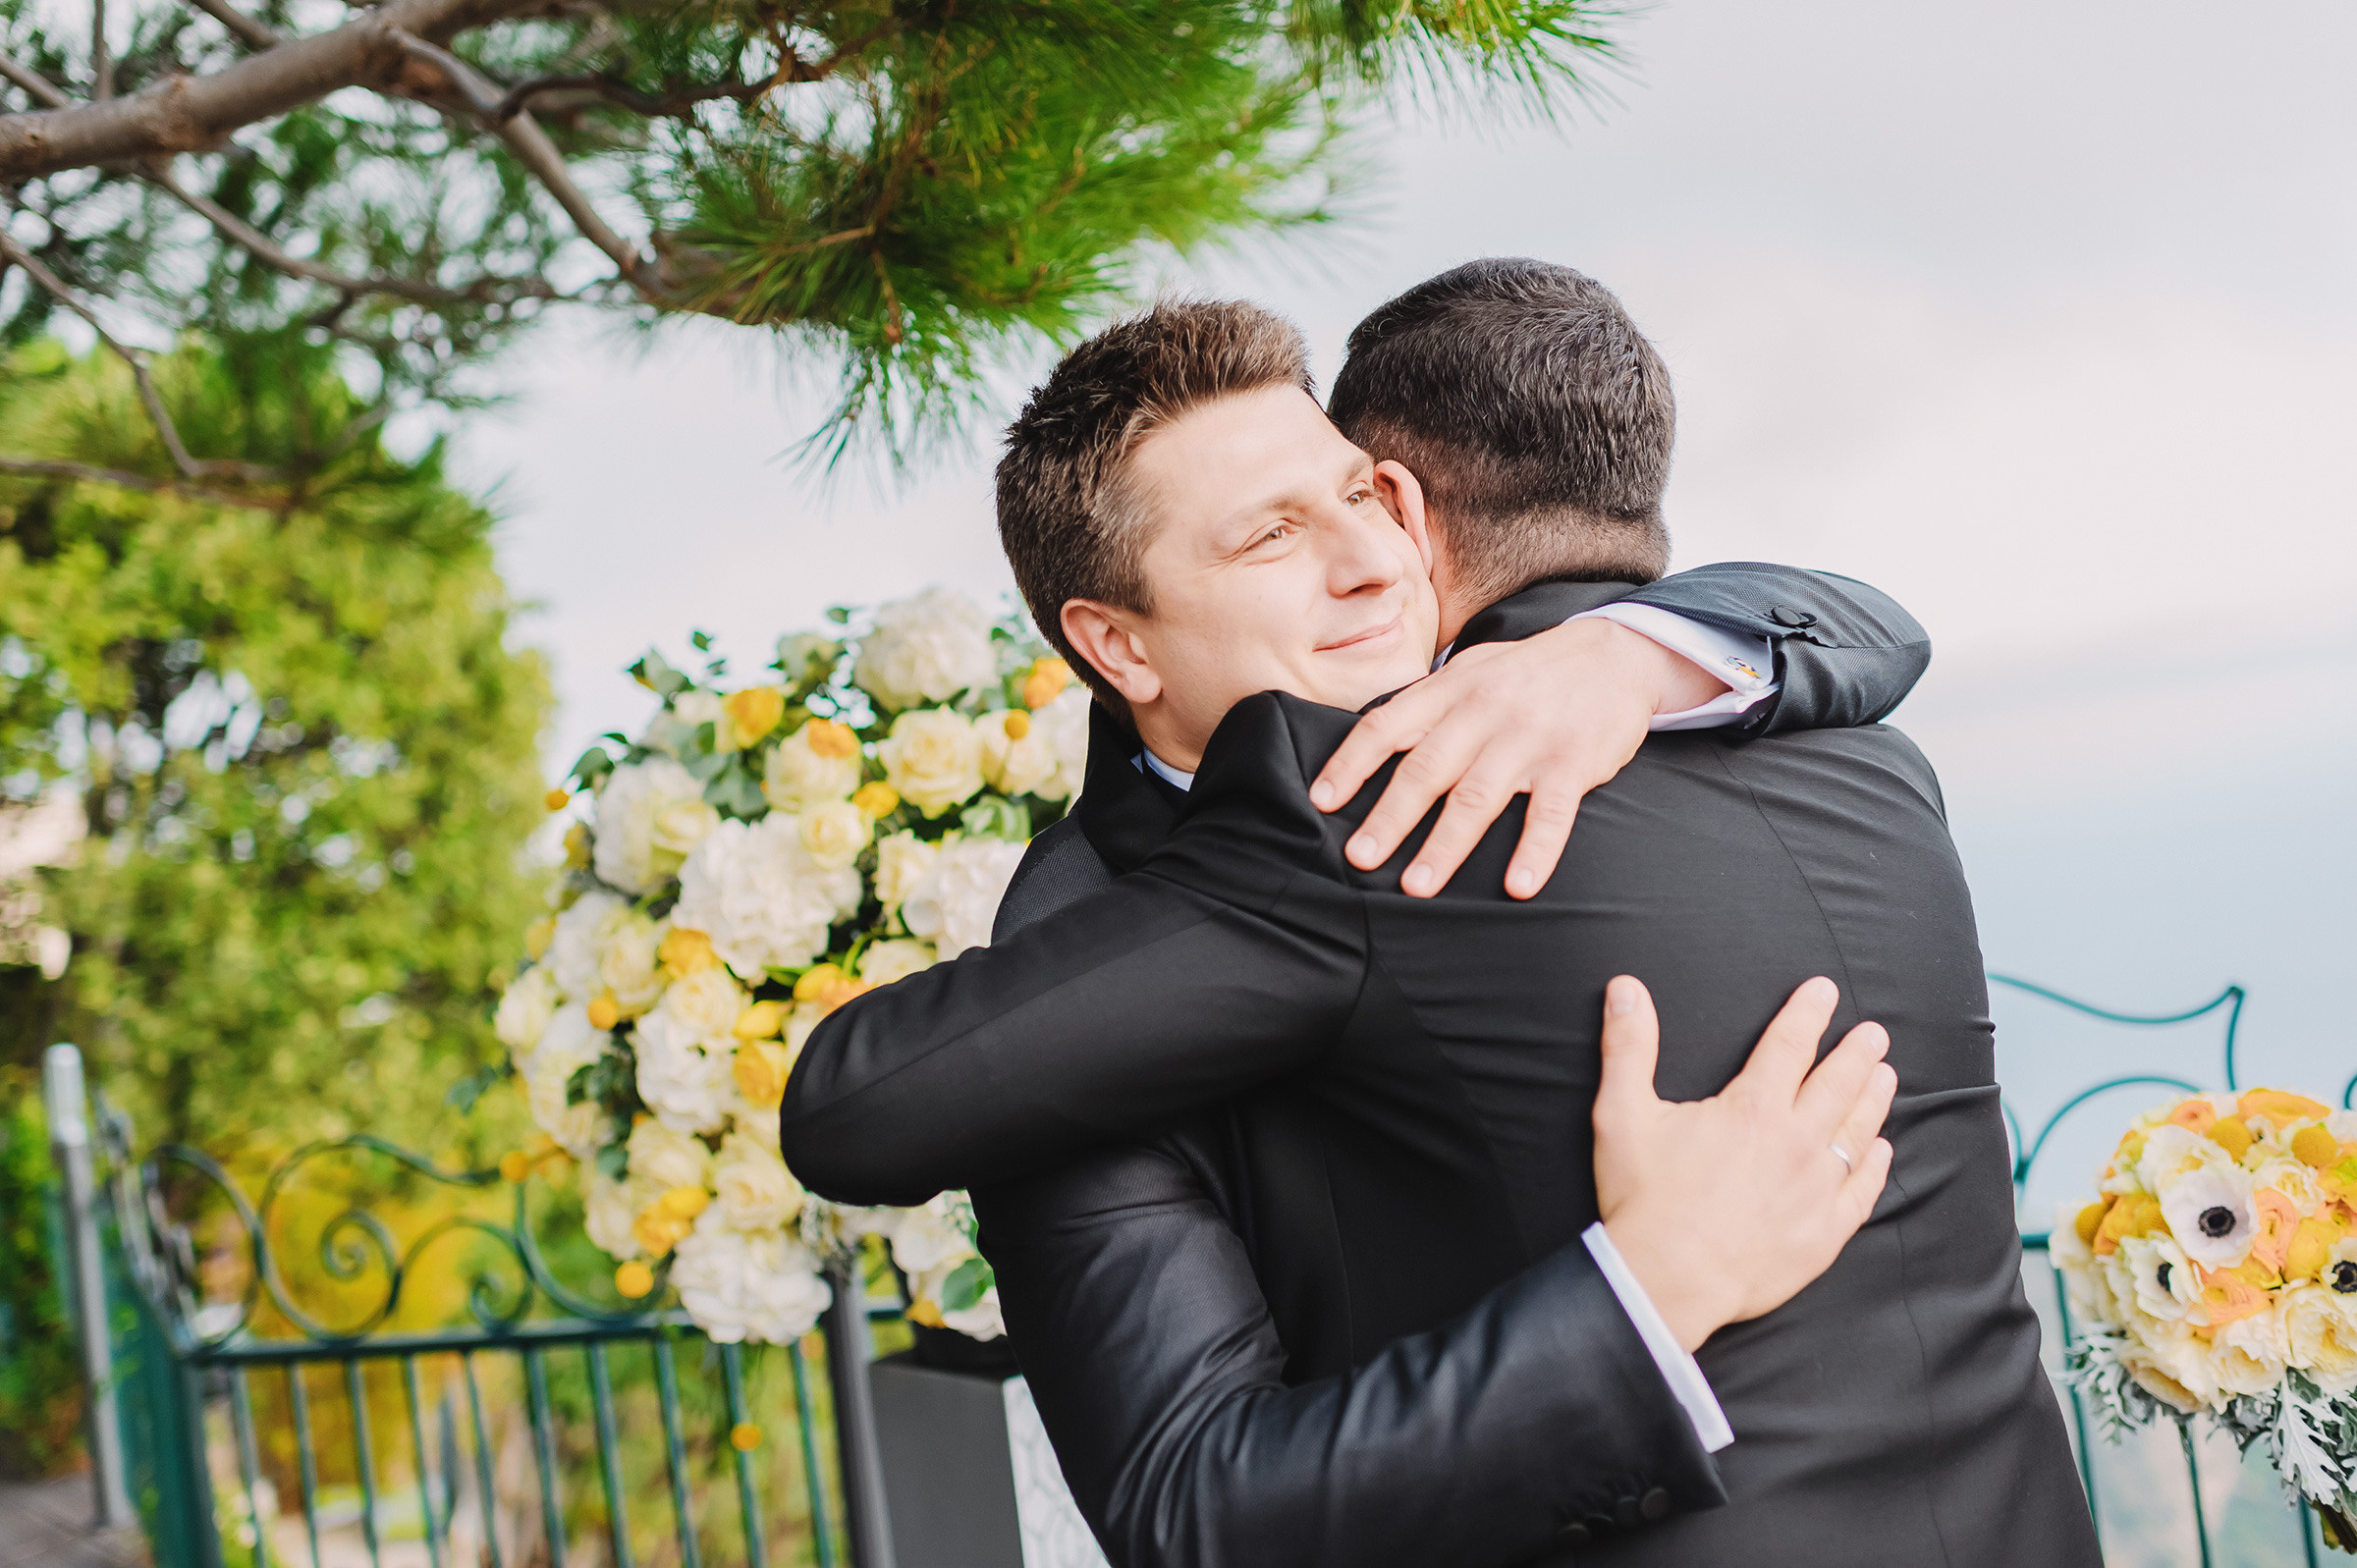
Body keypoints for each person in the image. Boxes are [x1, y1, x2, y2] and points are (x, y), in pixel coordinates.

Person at [784, 264, 2097, 1566]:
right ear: (1118, 646)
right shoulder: (1870, 759)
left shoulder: (1679, 694)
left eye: (1357, 494)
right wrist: (1653, 1288)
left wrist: (1629, 649)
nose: (1372, 562)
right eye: (1269, 535)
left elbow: (1858, 623)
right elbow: (1191, 1499)